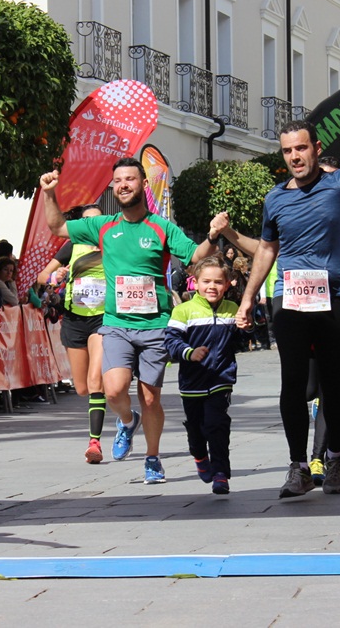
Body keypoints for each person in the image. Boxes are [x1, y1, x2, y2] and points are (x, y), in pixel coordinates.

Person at [234, 73, 340, 499]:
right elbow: (267, 250)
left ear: (316, 149)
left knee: (333, 382)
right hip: (288, 299)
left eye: (301, 148)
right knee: (292, 384)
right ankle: (297, 466)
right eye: (288, 151)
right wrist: (249, 298)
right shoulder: (275, 199)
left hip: (335, 299)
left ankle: (336, 456)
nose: (295, 156)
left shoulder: (339, 184)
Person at [40, 157, 223, 484]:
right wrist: (50, 194)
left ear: (142, 185)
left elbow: (195, 256)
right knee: (112, 392)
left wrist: (212, 234)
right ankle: (127, 421)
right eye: (118, 181)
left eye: (130, 179)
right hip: (116, 324)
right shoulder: (104, 226)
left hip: (154, 326)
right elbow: (57, 227)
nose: (123, 185)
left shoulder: (161, 227)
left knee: (150, 396)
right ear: (114, 187)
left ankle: (152, 458)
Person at [163, 256, 241, 495]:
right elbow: (170, 341)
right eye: (206, 281)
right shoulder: (183, 311)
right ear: (195, 283)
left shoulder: (232, 310)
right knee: (196, 427)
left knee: (217, 424)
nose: (212, 286)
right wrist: (189, 352)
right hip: (192, 382)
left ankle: (221, 474)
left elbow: (238, 342)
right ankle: (198, 455)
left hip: (221, 379)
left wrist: (246, 329)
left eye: (218, 282)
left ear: (227, 284)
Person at [36, 204, 108, 464]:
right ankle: (128, 415)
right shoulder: (72, 245)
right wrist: (57, 275)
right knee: (81, 388)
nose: (91, 225)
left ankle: (94, 443)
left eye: (97, 221)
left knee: (95, 382)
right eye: (86, 220)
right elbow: (43, 276)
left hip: (103, 319)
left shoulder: (113, 244)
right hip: (75, 320)